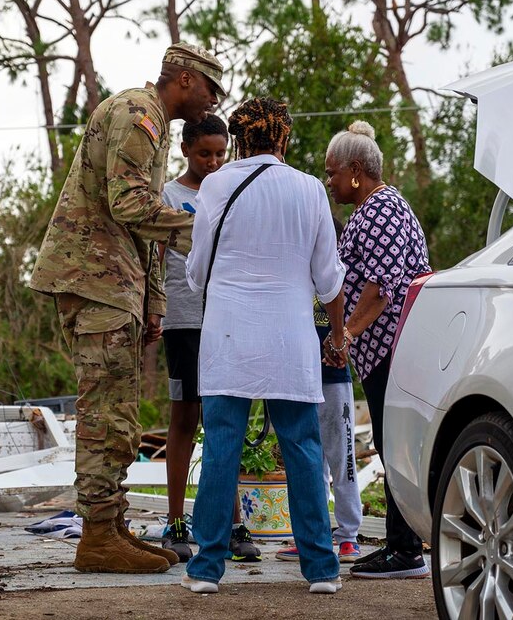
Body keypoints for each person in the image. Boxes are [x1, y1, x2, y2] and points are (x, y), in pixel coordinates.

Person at [29, 42, 225, 574]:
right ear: (184, 79)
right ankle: (95, 535)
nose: (213, 100)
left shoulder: (151, 122)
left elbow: (143, 224)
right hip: (95, 280)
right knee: (102, 416)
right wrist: (206, 231)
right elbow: (131, 205)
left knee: (120, 413)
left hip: (117, 284)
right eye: (210, 87)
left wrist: (154, 299)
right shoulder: (139, 116)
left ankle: (110, 525)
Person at [180, 98, 347, 596]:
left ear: (237, 139)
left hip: (228, 334)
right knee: (301, 446)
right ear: (283, 138)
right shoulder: (310, 188)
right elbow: (328, 278)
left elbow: (196, 272)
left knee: (222, 447)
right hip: (290, 336)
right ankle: (321, 568)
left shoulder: (215, 185)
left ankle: (207, 568)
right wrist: (337, 337)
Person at [323, 120, 431, 580]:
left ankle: (405, 551)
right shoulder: (372, 208)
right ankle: (401, 545)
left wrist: (345, 333)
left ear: (354, 171)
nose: (328, 181)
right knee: (391, 445)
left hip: (393, 346)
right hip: (383, 347)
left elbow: (381, 287)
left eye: (331, 173)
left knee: (395, 446)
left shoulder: (383, 209)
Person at [159, 115, 260, 563]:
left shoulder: (233, 191)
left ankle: (232, 522)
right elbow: (155, 258)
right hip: (182, 320)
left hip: (227, 318)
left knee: (226, 418)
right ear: (185, 149)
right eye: (205, 154)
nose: (214, 162)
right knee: (185, 418)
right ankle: (177, 521)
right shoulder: (169, 195)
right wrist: (152, 310)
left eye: (221, 154)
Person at [276, 216, 362, 564]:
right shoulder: (296, 277)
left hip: (334, 379)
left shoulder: (343, 280)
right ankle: (311, 534)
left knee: (342, 457)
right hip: (299, 376)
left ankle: (348, 535)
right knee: (308, 460)